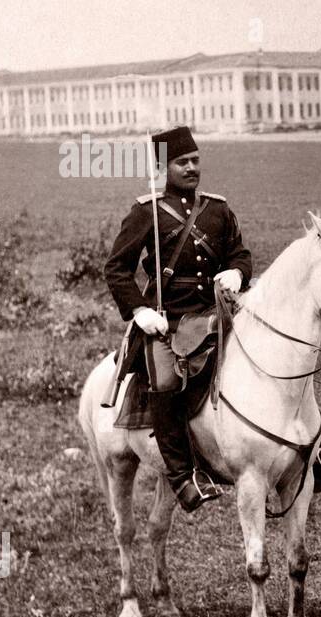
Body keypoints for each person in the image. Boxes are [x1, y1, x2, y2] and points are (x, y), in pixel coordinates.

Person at [105, 126, 252, 511]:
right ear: (163, 167)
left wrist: (237, 272)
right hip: (167, 320)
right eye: (182, 162)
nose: (192, 168)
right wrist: (140, 311)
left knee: (270, 359)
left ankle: (304, 451)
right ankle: (183, 476)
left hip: (218, 314)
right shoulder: (146, 212)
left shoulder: (218, 209)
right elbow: (116, 268)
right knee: (167, 384)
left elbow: (240, 254)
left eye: (196, 161)